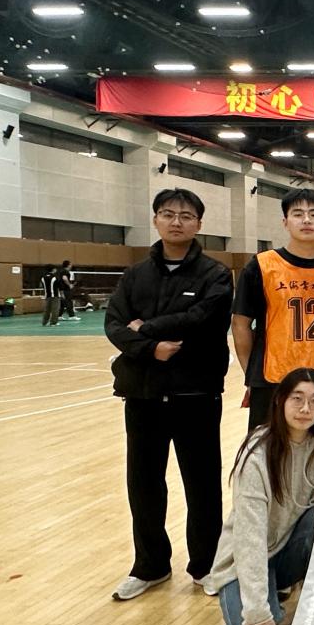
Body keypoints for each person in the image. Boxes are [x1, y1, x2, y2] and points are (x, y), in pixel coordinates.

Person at [105, 189, 234, 602]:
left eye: (185, 216)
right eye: (168, 214)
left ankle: (206, 566)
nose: (176, 221)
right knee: (143, 485)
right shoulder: (134, 275)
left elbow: (202, 321)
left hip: (196, 394)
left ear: (199, 224)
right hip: (143, 395)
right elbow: (114, 324)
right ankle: (150, 566)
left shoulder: (216, 274)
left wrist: (145, 328)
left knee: (202, 485)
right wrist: (150, 347)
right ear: (156, 219)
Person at [206, 367, 314, 625]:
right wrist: (256, 612)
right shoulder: (257, 453)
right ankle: (263, 594)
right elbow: (249, 536)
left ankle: (285, 590)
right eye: (297, 398)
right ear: (279, 400)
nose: (305, 409)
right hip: (247, 557)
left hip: (287, 550)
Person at [231, 189, 314, 433]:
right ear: (285, 222)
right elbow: (240, 324)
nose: (306, 220)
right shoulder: (262, 265)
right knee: (268, 450)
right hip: (272, 378)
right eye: (298, 214)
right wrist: (252, 375)